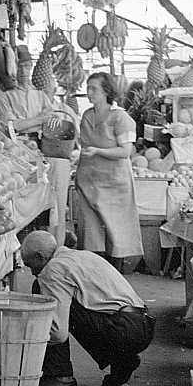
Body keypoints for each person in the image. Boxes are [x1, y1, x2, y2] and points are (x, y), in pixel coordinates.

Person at [21, 230, 155, 386]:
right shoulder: (82, 255)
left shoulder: (53, 269)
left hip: (124, 330)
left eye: (30, 265)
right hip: (143, 325)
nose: (32, 272)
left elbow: (57, 334)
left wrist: (26, 335)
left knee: (42, 295)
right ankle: (122, 359)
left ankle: (60, 376)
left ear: (40, 257)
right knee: (82, 302)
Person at [0, 45, 77, 246]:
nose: (24, 71)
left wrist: (29, 122)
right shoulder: (4, 94)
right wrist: (37, 119)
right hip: (15, 150)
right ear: (12, 68)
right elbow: (9, 127)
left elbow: (48, 123)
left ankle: (54, 238)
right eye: (20, 67)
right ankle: (18, 240)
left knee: (55, 187)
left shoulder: (40, 95)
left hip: (40, 149)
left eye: (28, 66)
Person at [75, 71, 143, 271]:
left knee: (117, 230)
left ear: (106, 91)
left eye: (94, 89)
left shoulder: (121, 117)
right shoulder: (87, 116)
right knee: (91, 232)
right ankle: (95, 272)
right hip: (89, 182)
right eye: (88, 88)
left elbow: (126, 151)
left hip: (114, 183)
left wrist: (98, 151)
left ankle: (116, 275)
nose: (89, 93)